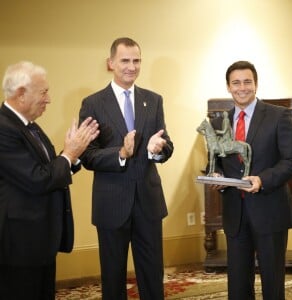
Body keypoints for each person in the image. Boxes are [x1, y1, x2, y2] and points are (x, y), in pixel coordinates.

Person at [79, 37, 174, 300]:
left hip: (148, 202)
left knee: (153, 274)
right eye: (125, 61)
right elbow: (87, 155)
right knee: (112, 276)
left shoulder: (153, 100)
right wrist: (120, 154)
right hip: (111, 203)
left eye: (136, 60)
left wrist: (158, 149)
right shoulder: (93, 103)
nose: (131, 67)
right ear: (111, 63)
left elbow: (167, 145)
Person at [0, 61, 99, 300]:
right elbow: (37, 179)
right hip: (20, 243)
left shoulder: (29, 127)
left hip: (40, 238)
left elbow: (49, 169)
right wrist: (69, 154)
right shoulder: (4, 128)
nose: (49, 99)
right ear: (21, 94)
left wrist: (73, 158)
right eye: (43, 92)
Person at [210, 60, 292, 299]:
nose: (242, 87)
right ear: (228, 87)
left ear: (256, 84)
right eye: (236, 83)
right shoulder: (219, 122)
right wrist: (215, 176)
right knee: (238, 286)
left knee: (272, 284)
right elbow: (216, 161)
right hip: (235, 214)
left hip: (269, 211)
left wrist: (263, 179)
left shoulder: (278, 116)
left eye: (247, 82)